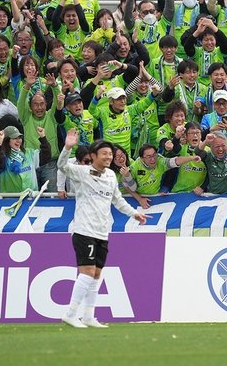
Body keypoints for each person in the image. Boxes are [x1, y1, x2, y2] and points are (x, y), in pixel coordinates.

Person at [59, 129, 150, 328]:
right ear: (93, 156)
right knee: (88, 272)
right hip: (84, 230)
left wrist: (134, 213)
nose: (109, 157)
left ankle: (89, 316)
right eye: (105, 153)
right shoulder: (82, 172)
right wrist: (67, 147)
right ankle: (70, 313)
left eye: (110, 153)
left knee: (97, 274)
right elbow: (62, 166)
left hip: (102, 232)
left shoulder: (110, 175)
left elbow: (117, 201)